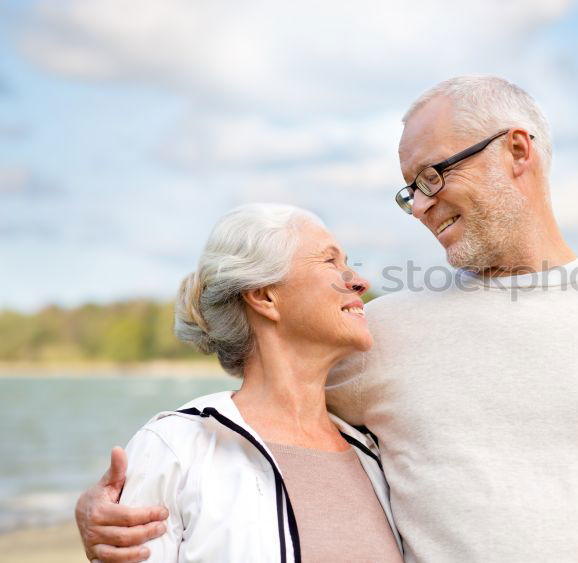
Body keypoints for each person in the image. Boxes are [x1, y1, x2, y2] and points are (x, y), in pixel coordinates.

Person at [77, 76, 578, 562]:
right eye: (410, 191)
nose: (422, 206)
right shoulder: (380, 334)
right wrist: (112, 507)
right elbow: (257, 414)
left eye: (434, 176)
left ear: (517, 152)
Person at [76, 203, 403, 562]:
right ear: (264, 296)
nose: (359, 280)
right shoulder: (177, 448)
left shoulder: (374, 454)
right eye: (330, 262)